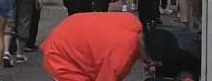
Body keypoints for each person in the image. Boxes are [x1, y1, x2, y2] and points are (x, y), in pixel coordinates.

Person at [41, 13, 186, 81]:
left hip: (68, 31)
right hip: (61, 55)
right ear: (153, 60)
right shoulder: (121, 58)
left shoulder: (132, 22)